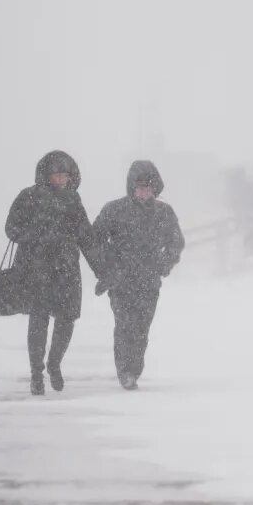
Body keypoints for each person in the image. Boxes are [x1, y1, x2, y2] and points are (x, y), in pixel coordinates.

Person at [5, 150, 100, 395]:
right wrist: (37, 237)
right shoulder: (29, 197)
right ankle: (36, 373)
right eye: (57, 175)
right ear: (47, 176)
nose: (61, 180)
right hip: (37, 269)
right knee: (39, 321)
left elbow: (86, 238)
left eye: (65, 176)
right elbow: (11, 228)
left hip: (67, 269)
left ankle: (54, 363)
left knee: (67, 319)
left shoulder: (73, 201)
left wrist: (102, 271)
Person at [93, 161, 185, 390]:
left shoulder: (164, 212)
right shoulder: (114, 210)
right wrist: (108, 267)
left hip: (149, 280)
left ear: (155, 189)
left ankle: (134, 369)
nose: (144, 191)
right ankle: (125, 372)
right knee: (124, 325)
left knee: (142, 328)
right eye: (140, 187)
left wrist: (164, 264)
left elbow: (176, 242)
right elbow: (95, 240)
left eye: (148, 187)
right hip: (121, 280)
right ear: (132, 188)